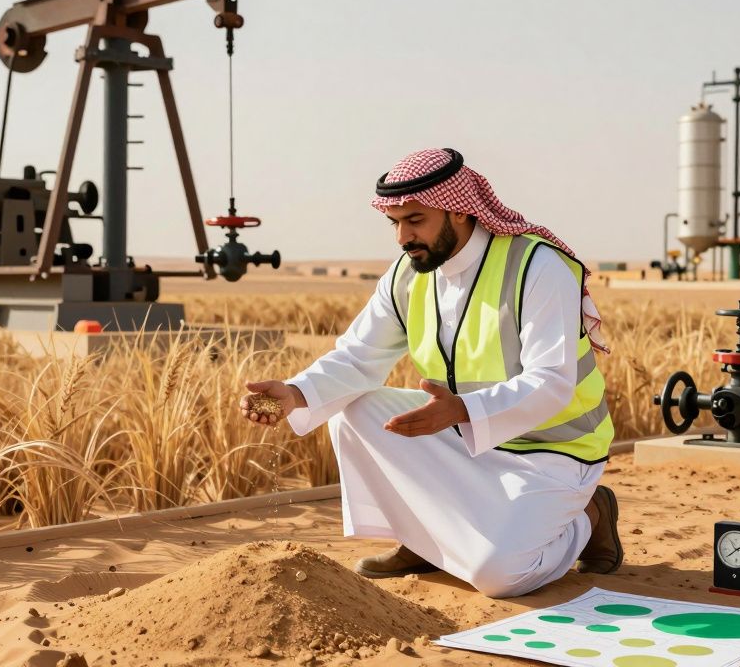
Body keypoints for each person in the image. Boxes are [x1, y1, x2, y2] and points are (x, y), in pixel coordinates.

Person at [239, 148, 622, 598]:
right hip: (462, 429)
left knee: (500, 577)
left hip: (554, 449)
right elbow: (360, 355)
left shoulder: (537, 265)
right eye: (395, 223)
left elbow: (553, 381)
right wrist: (295, 392)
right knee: (353, 408)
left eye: (415, 219)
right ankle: (425, 540)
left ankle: (589, 517)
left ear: (460, 210)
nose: (403, 236)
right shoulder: (409, 273)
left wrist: (462, 409)